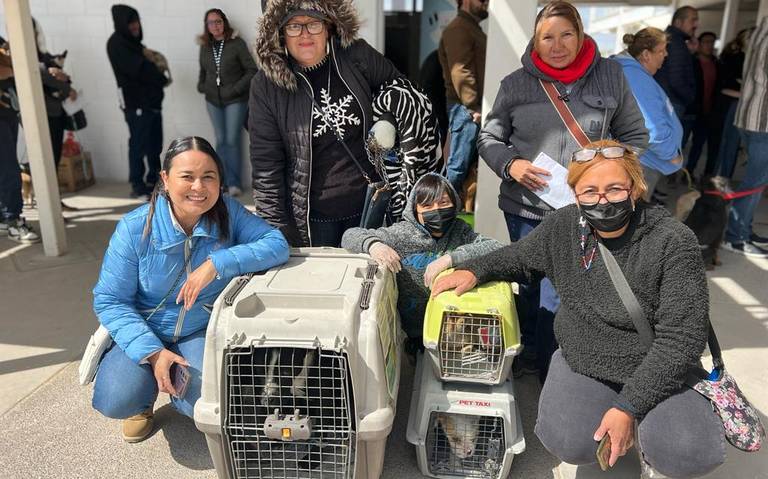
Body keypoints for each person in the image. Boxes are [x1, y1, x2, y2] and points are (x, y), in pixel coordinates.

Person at [432, 140, 725, 479]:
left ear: (634, 188)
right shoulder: (565, 227)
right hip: (586, 358)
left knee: (689, 452)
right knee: (567, 440)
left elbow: (682, 340)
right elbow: (520, 257)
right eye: (590, 192)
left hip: (653, 362)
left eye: (614, 189)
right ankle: (618, 421)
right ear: (575, 194)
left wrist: (628, 407)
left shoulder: (673, 240)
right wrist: (474, 269)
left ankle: (640, 425)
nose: (602, 201)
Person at [478, 0, 648, 380]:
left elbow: (635, 137)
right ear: (535, 42)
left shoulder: (610, 76)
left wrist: (605, 168)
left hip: (582, 213)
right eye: (547, 37)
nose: (557, 46)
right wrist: (511, 164)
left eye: (566, 34)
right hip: (524, 209)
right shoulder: (515, 84)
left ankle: (552, 376)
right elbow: (489, 137)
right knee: (527, 285)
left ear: (581, 34)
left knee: (561, 294)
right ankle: (526, 352)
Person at [91, 136, 289, 443]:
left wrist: (216, 263)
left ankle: (178, 390)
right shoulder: (133, 228)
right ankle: (141, 403)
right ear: (165, 179)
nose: (198, 187)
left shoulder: (229, 212)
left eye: (208, 177)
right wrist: (154, 354)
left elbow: (276, 244)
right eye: (187, 176)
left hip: (198, 329)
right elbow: (110, 300)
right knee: (115, 397)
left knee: (207, 402)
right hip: (145, 327)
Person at [250, 0, 402, 247]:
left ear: (329, 27)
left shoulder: (357, 56)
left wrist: (387, 121)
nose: (305, 34)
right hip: (312, 221)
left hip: (369, 208)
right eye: (294, 26)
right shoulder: (267, 86)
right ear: (280, 34)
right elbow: (266, 167)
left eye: (313, 24)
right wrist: (275, 234)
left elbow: (401, 91)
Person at [341, 173, 501, 352]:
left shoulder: (461, 231)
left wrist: (451, 258)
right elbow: (349, 235)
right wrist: (374, 245)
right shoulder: (402, 234)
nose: (436, 210)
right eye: (427, 205)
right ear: (414, 210)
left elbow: (496, 247)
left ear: (454, 204)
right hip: (410, 332)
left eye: (443, 203)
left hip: (449, 330)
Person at [107, 4, 170, 200]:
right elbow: (141, 70)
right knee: (138, 144)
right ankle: (138, 185)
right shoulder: (117, 44)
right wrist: (159, 75)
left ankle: (154, 181)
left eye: (136, 21)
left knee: (154, 144)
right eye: (130, 22)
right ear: (122, 24)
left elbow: (150, 69)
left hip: (151, 104)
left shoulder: (134, 44)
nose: (135, 26)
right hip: (136, 105)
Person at [614, 28, 683, 200]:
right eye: (661, 50)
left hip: (640, 160)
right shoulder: (635, 77)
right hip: (641, 164)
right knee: (634, 213)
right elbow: (652, 127)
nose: (666, 55)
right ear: (646, 54)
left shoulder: (633, 73)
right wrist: (671, 155)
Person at [197, 8, 258, 197]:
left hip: (235, 100)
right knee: (221, 140)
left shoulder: (236, 43)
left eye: (218, 21)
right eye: (211, 23)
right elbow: (203, 71)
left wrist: (235, 89)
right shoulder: (205, 46)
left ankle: (234, 183)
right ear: (206, 26)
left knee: (231, 140)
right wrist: (202, 86)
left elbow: (252, 70)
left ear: (224, 23)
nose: (215, 26)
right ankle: (220, 182)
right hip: (213, 100)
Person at [723, 17, 768, 258]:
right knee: (754, 183)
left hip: (750, 118)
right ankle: (736, 237)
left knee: (755, 181)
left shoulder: (760, 31)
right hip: (762, 123)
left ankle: (744, 230)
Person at [438, 0, 488, 195]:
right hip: (465, 108)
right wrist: (472, 105)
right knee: (457, 168)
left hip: (467, 108)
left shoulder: (469, 27)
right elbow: (460, 70)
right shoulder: (459, 28)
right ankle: (442, 207)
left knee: (462, 168)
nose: (487, 3)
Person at [0, 39, 40, 243]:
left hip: (7, 111)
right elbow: (8, 68)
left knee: (7, 166)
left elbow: (15, 59)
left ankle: (5, 218)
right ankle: (12, 220)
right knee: (8, 168)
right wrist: (11, 67)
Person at [716, 28, 753, 178]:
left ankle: (721, 179)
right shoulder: (736, 58)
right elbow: (724, 86)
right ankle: (720, 179)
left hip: (736, 103)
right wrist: (746, 92)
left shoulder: (744, 57)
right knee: (728, 144)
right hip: (732, 104)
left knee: (730, 144)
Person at [654, 6, 699, 125]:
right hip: (672, 102)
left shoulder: (670, 38)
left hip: (666, 100)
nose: (696, 25)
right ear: (678, 22)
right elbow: (676, 79)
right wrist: (690, 98)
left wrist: (691, 53)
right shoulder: (676, 42)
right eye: (693, 20)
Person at [686, 31, 720, 178]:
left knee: (698, 145)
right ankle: (672, 174)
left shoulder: (717, 64)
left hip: (708, 112)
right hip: (690, 110)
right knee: (680, 144)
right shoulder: (691, 62)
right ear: (699, 44)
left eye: (712, 42)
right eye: (706, 42)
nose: (710, 45)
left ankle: (689, 172)